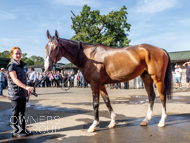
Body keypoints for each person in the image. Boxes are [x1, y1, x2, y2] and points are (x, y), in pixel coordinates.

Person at [7, 47, 34, 137]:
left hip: (22, 93)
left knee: (22, 112)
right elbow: (15, 80)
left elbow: (23, 79)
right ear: (12, 55)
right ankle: (15, 131)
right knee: (16, 112)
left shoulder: (21, 65)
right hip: (15, 93)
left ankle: (22, 129)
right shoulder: (12, 66)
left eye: (19, 53)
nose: (18, 55)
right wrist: (26, 87)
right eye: (16, 53)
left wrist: (29, 86)